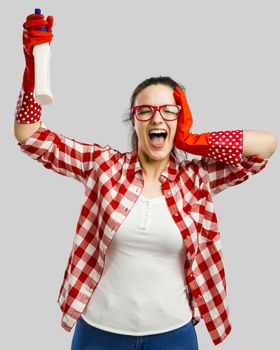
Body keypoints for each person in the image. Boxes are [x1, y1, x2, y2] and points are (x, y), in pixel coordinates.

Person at [14, 12, 277, 350]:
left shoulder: (196, 179)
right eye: (146, 110)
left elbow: (265, 147)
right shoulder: (103, 166)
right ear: (133, 121)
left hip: (173, 333)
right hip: (99, 332)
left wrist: (194, 141)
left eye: (170, 110)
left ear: (181, 120)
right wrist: (31, 72)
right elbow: (30, 137)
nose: (158, 117)